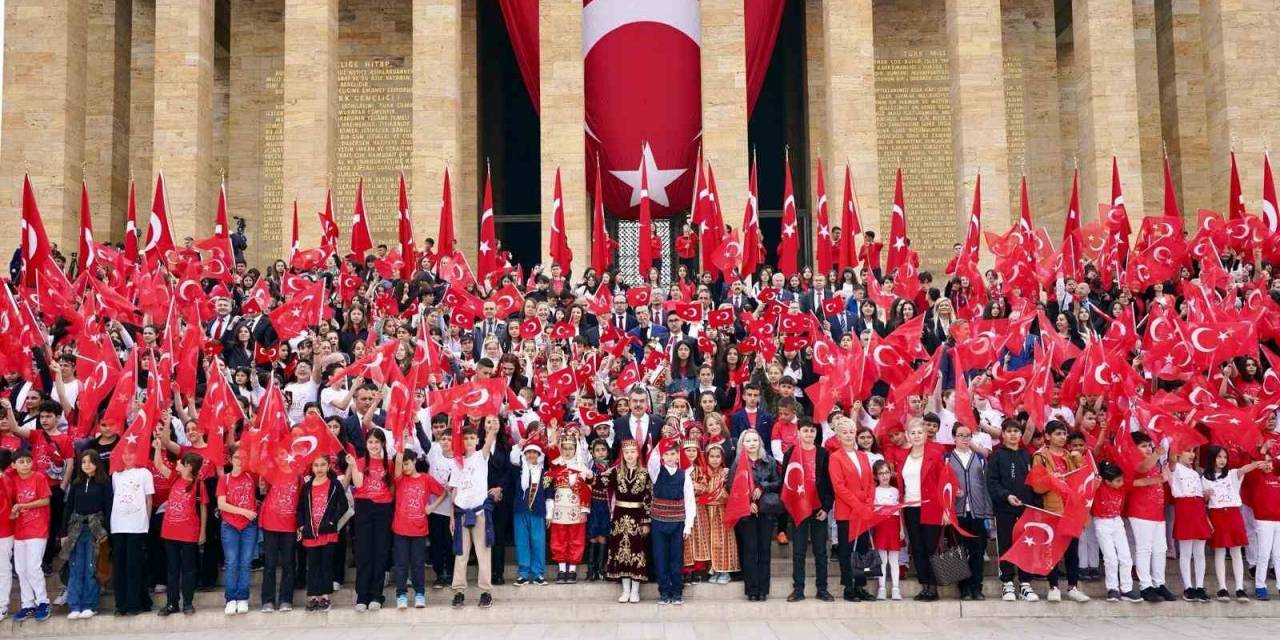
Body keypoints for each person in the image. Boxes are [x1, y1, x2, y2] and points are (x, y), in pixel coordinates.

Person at [1029, 420, 1089, 602]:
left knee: (1072, 551)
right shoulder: (1040, 456)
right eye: (1057, 434)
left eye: (1064, 434)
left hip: (1071, 508)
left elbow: (1083, 480)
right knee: (1052, 549)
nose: (1062, 437)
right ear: (1047, 436)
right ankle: (1053, 586)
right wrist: (1050, 479)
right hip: (1051, 508)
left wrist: (1080, 461)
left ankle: (1073, 587)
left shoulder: (1071, 456)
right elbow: (1037, 486)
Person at [986, 418, 1039, 602]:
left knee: (1026, 543)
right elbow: (992, 482)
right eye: (1009, 431)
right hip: (1004, 509)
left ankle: (1025, 583)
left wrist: (1034, 503)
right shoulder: (996, 456)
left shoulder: (1027, 455)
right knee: (1006, 543)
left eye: (1016, 431)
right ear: (1003, 434)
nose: (1013, 435)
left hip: (1026, 509)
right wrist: (1006, 495)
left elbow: (1035, 482)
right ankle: (1007, 582)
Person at [784, 418, 834, 602]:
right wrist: (790, 505)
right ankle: (798, 589)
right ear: (798, 432)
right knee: (798, 551)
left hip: (818, 508)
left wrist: (827, 507)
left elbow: (830, 483)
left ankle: (822, 588)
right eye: (805, 430)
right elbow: (786, 481)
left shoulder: (823, 454)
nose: (809, 434)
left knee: (821, 550)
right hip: (799, 507)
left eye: (812, 431)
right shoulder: (791, 453)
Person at [1204, 446, 1262, 601]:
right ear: (1212, 458)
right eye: (1219, 457)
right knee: (1220, 551)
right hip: (1217, 514)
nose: (1222, 460)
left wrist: (1257, 462)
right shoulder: (1205, 478)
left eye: (1224, 457)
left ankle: (1239, 588)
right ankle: (1222, 588)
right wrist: (1205, 495)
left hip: (1234, 514)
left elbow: (1244, 469)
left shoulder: (1231, 474)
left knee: (1236, 551)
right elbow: (1202, 500)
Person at [154, 449, 207, 616]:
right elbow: (158, 464)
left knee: (188, 569)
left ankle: (188, 603)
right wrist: (156, 448)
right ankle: (172, 603)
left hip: (189, 533)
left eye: (179, 462)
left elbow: (203, 509)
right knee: (172, 569)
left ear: (188, 466)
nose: (176, 464)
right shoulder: (174, 479)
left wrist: (202, 532)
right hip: (170, 532)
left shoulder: (199, 484)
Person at [391, 448, 446, 608]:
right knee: (401, 563)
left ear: (414, 461)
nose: (405, 468)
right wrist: (400, 441)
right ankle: (401, 594)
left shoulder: (426, 479)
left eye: (407, 464)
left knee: (417, 563)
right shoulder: (400, 479)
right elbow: (397, 468)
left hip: (419, 529)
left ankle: (420, 594)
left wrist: (432, 506)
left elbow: (443, 493)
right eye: (402, 465)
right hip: (400, 529)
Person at [730, 430, 781, 601]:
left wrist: (762, 486)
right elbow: (731, 486)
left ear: (760, 442)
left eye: (755, 440)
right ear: (742, 444)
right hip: (746, 513)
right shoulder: (737, 463)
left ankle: (763, 589)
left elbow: (778, 482)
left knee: (764, 550)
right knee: (750, 551)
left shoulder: (770, 461)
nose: (752, 443)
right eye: (747, 441)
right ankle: (752, 589)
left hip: (766, 511)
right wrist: (746, 501)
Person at [451, 424, 497, 609]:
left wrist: (492, 430)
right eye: (466, 438)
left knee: (483, 552)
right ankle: (459, 591)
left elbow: (489, 440)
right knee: (461, 554)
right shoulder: (457, 461)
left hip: (479, 512)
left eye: (472, 438)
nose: (469, 441)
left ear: (477, 440)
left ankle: (486, 591)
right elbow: (454, 489)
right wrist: (451, 516)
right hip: (462, 512)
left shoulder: (481, 457)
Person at [347, 429, 394, 610]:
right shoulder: (359, 462)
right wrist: (352, 466)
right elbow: (358, 485)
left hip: (383, 509)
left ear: (382, 443)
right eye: (370, 442)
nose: (373, 445)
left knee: (380, 552)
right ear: (366, 444)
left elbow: (391, 486)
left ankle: (376, 595)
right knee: (364, 552)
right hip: (364, 508)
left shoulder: (388, 463)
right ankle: (362, 596)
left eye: (377, 442)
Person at [897, 419, 944, 601]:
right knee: (916, 548)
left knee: (930, 547)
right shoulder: (903, 457)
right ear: (908, 436)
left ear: (925, 436)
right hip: (910, 508)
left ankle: (933, 588)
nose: (916, 436)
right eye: (913, 433)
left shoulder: (935, 454)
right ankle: (924, 586)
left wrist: (946, 510)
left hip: (931, 506)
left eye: (920, 432)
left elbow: (943, 483)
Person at [1126, 431, 1175, 602]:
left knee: (1160, 549)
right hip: (1140, 512)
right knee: (1144, 549)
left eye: (1149, 445)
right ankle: (1145, 586)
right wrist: (1156, 454)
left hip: (1157, 513)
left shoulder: (1155, 464)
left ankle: (1159, 583)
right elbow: (1142, 468)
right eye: (1143, 446)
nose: (1148, 448)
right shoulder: (1133, 461)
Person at [945, 423, 992, 600]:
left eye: (968, 435)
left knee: (977, 552)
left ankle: (976, 587)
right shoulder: (947, 459)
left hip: (977, 512)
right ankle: (963, 588)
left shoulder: (980, 459)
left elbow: (986, 486)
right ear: (954, 438)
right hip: (957, 513)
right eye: (961, 435)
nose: (965, 439)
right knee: (958, 551)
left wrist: (988, 513)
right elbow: (942, 485)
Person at [298, 455, 349, 612]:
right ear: (312, 468)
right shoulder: (306, 487)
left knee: (326, 564)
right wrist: (301, 525)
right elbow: (300, 508)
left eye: (322, 465)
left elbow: (344, 505)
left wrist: (332, 521)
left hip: (328, 533)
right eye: (316, 465)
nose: (319, 468)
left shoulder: (334, 485)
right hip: (311, 533)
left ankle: (325, 597)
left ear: (328, 466)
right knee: (313, 565)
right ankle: (313, 596)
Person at [604, 439, 652, 603]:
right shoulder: (616, 472)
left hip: (637, 517)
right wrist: (588, 475)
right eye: (627, 452)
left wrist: (646, 521)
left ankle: (635, 591)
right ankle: (625, 590)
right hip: (619, 517)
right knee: (621, 552)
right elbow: (600, 482)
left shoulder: (645, 473)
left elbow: (648, 498)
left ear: (638, 453)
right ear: (622, 455)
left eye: (633, 452)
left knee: (636, 552)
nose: (630, 455)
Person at [109, 443, 154, 617]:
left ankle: (135, 603)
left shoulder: (144, 473)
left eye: (131, 453)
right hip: (118, 525)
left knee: (134, 566)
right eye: (125, 454)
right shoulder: (116, 475)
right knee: (120, 566)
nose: (127, 457)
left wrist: (146, 522)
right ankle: (121, 604)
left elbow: (149, 500)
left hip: (137, 526)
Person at [650, 437, 696, 605]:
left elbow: (689, 501)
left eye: (673, 454)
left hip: (677, 523)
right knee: (660, 557)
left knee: (676, 558)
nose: (670, 457)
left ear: (678, 456)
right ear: (662, 457)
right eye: (667, 454)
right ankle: (664, 592)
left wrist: (688, 525)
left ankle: (677, 592)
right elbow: (652, 458)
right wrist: (666, 439)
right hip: (658, 522)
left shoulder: (684, 476)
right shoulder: (656, 472)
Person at [217, 445, 259, 615]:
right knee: (231, 562)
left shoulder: (251, 477)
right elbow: (221, 504)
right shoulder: (224, 479)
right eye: (236, 458)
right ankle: (230, 598)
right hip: (230, 526)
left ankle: (242, 597)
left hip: (248, 527)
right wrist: (245, 512)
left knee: (245, 562)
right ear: (230, 459)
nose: (240, 461)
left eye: (243, 458)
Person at [1092, 461, 1141, 602]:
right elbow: (1086, 492)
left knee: (1126, 556)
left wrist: (1159, 478)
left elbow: (1138, 482)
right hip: (1102, 522)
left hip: (1117, 521)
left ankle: (1126, 589)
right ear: (1107, 481)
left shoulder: (1122, 486)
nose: (1121, 483)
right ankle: (1112, 588)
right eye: (1118, 481)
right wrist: (1095, 485)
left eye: (1121, 479)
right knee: (1111, 558)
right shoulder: (1099, 487)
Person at [690, 442, 737, 584]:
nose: (715, 459)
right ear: (707, 457)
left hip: (722, 512)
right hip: (706, 512)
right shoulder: (703, 473)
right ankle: (714, 569)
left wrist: (714, 497)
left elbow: (728, 493)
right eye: (712, 456)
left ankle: (725, 571)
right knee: (711, 542)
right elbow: (699, 490)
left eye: (718, 456)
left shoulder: (726, 473)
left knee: (722, 540)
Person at [1169, 444, 1211, 602]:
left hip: (1198, 509)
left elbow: (1200, 494)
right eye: (1188, 450)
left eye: (1193, 451)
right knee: (1186, 552)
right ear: (1179, 453)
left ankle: (1199, 586)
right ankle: (1188, 587)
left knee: (1200, 552)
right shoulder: (1175, 468)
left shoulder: (1194, 473)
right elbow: (1172, 460)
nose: (1192, 454)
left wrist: (1205, 495)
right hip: (1184, 508)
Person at [510, 438, 548, 586]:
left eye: (534, 452)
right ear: (524, 454)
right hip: (520, 511)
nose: (531, 455)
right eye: (528, 452)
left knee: (538, 542)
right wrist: (518, 446)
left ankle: (538, 573)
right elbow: (513, 458)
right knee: (521, 542)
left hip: (538, 511)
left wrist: (549, 513)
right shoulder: (518, 470)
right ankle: (523, 573)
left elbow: (548, 494)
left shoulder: (545, 473)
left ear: (539, 455)